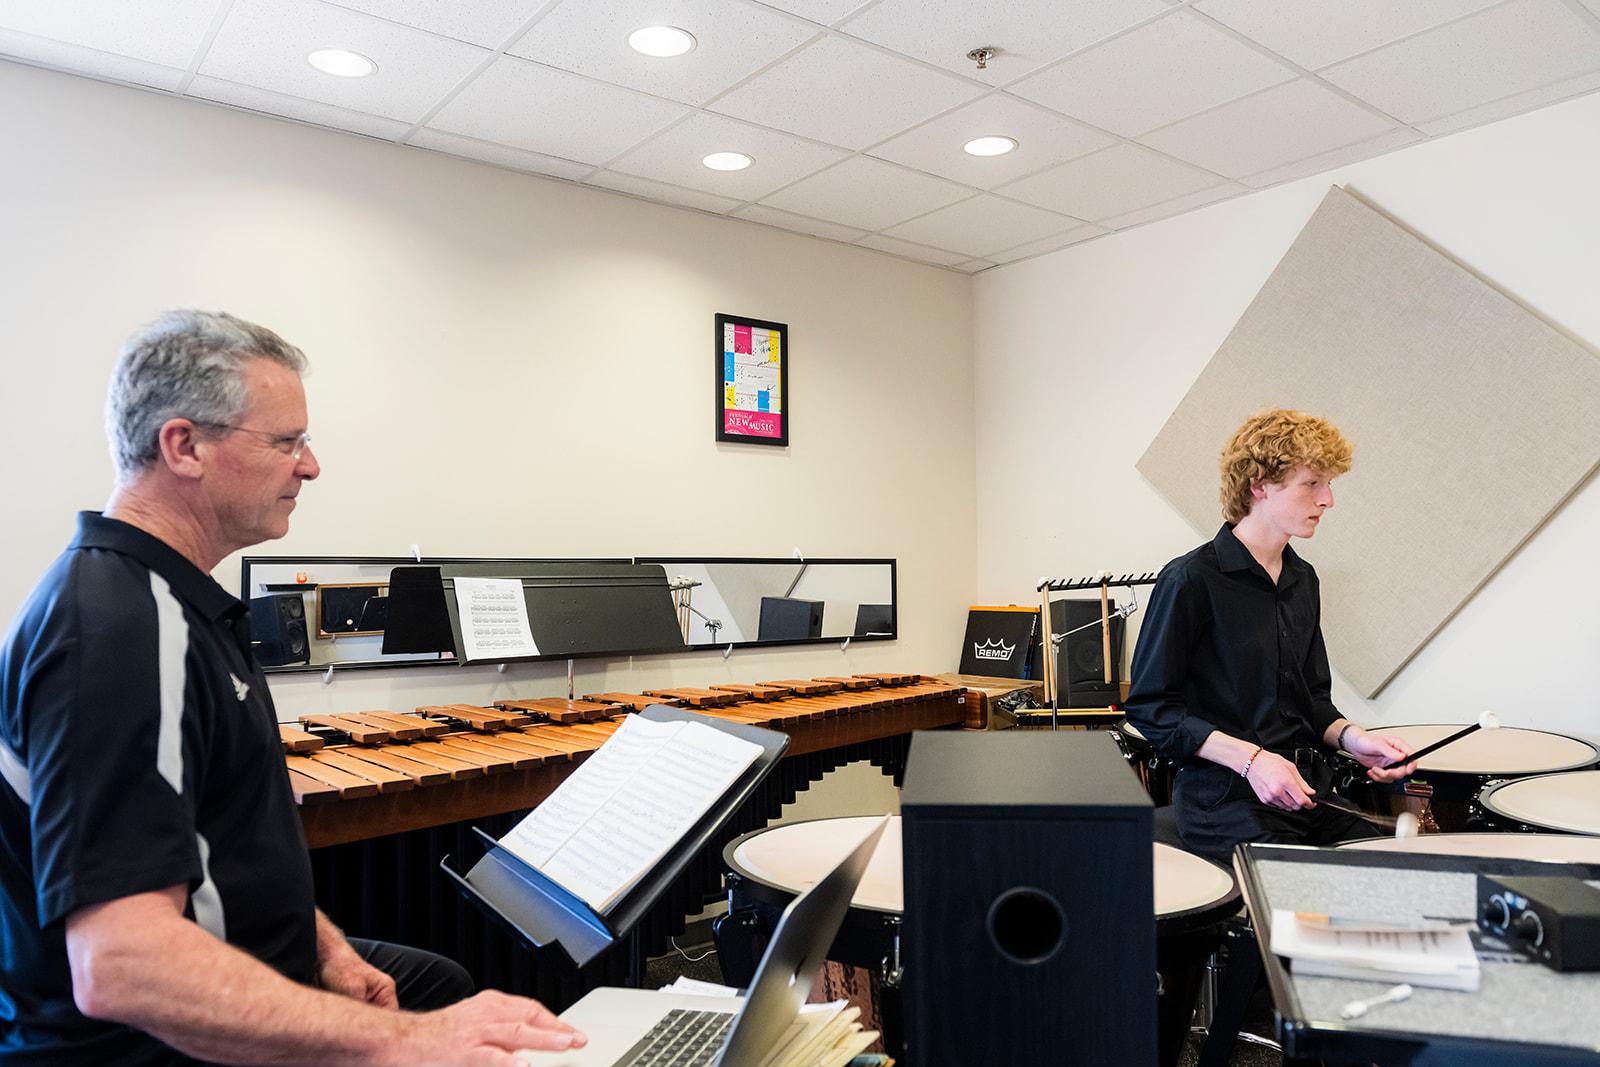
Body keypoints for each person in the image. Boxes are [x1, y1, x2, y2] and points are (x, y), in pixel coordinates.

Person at [0, 310, 585, 1064]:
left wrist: (329, 949)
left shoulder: (173, 602)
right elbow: (122, 963)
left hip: (252, 957)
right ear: (184, 447)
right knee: (445, 1018)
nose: (310, 466)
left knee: (435, 979)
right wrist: (402, 1041)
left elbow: (221, 846)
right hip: (145, 1046)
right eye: (286, 442)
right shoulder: (121, 630)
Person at [1125, 409, 1417, 865]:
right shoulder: (1190, 580)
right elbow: (1152, 708)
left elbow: (1312, 700)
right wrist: (1252, 759)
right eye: (1312, 484)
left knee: (1394, 873)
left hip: (1307, 790)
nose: (1328, 500)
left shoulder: (1304, 580)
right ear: (1259, 486)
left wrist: (1355, 739)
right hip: (1225, 798)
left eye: (1329, 485)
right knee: (1311, 902)